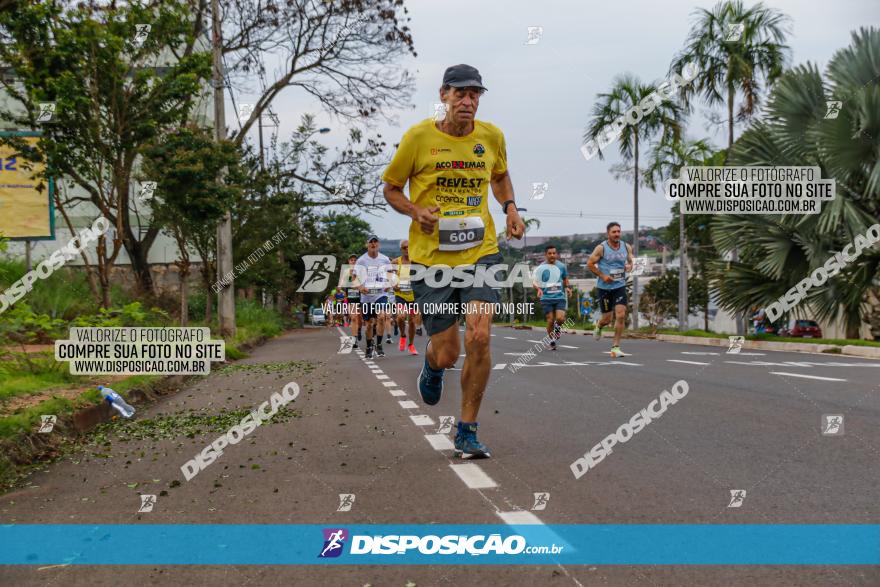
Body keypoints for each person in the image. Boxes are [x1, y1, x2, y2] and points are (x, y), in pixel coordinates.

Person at [382, 63, 524, 458]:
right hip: (431, 260)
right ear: (443, 95)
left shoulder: (491, 136)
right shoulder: (418, 138)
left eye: (474, 94)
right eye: (460, 93)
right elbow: (391, 189)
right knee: (447, 352)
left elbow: (499, 175)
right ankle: (431, 365)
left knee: (479, 335)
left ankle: (466, 429)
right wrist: (414, 211)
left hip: (481, 251)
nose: (467, 100)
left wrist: (510, 208)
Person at [587, 222, 633, 358]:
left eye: (619, 231)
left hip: (619, 286)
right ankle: (599, 326)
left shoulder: (626, 247)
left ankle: (615, 347)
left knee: (621, 315)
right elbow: (590, 264)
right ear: (608, 234)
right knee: (607, 319)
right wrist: (603, 276)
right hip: (604, 288)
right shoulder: (601, 248)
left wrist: (630, 266)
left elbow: (631, 261)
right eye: (614, 232)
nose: (617, 234)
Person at [355, 235, 392, 359]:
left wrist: (389, 283)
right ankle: (369, 346)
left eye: (375, 242)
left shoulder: (385, 259)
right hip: (366, 297)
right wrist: (360, 288)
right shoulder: (361, 261)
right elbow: (355, 278)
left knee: (382, 317)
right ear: (367, 245)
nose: (373, 244)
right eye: (371, 242)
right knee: (370, 324)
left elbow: (391, 274)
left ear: (378, 245)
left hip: (381, 294)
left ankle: (379, 345)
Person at [533, 245, 571, 350]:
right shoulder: (541, 268)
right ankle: (552, 341)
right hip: (546, 298)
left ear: (557, 254)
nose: (552, 255)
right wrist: (539, 289)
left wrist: (568, 288)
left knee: (560, 318)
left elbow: (565, 279)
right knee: (550, 321)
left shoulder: (562, 266)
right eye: (550, 253)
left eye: (554, 253)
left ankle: (558, 328)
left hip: (559, 297)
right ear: (546, 255)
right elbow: (535, 282)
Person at [391, 239, 420, 355]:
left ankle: (411, 345)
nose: (407, 249)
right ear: (401, 250)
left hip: (414, 296)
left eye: (409, 247)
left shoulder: (417, 262)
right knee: (401, 317)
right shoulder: (395, 262)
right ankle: (403, 335)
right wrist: (394, 284)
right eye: (404, 248)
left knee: (412, 321)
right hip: (401, 295)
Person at [344, 254, 363, 347]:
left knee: (359, 317)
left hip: (360, 298)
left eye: (355, 260)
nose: (353, 261)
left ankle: (359, 329)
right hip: (351, 299)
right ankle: (354, 339)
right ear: (349, 262)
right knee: (354, 317)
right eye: (351, 260)